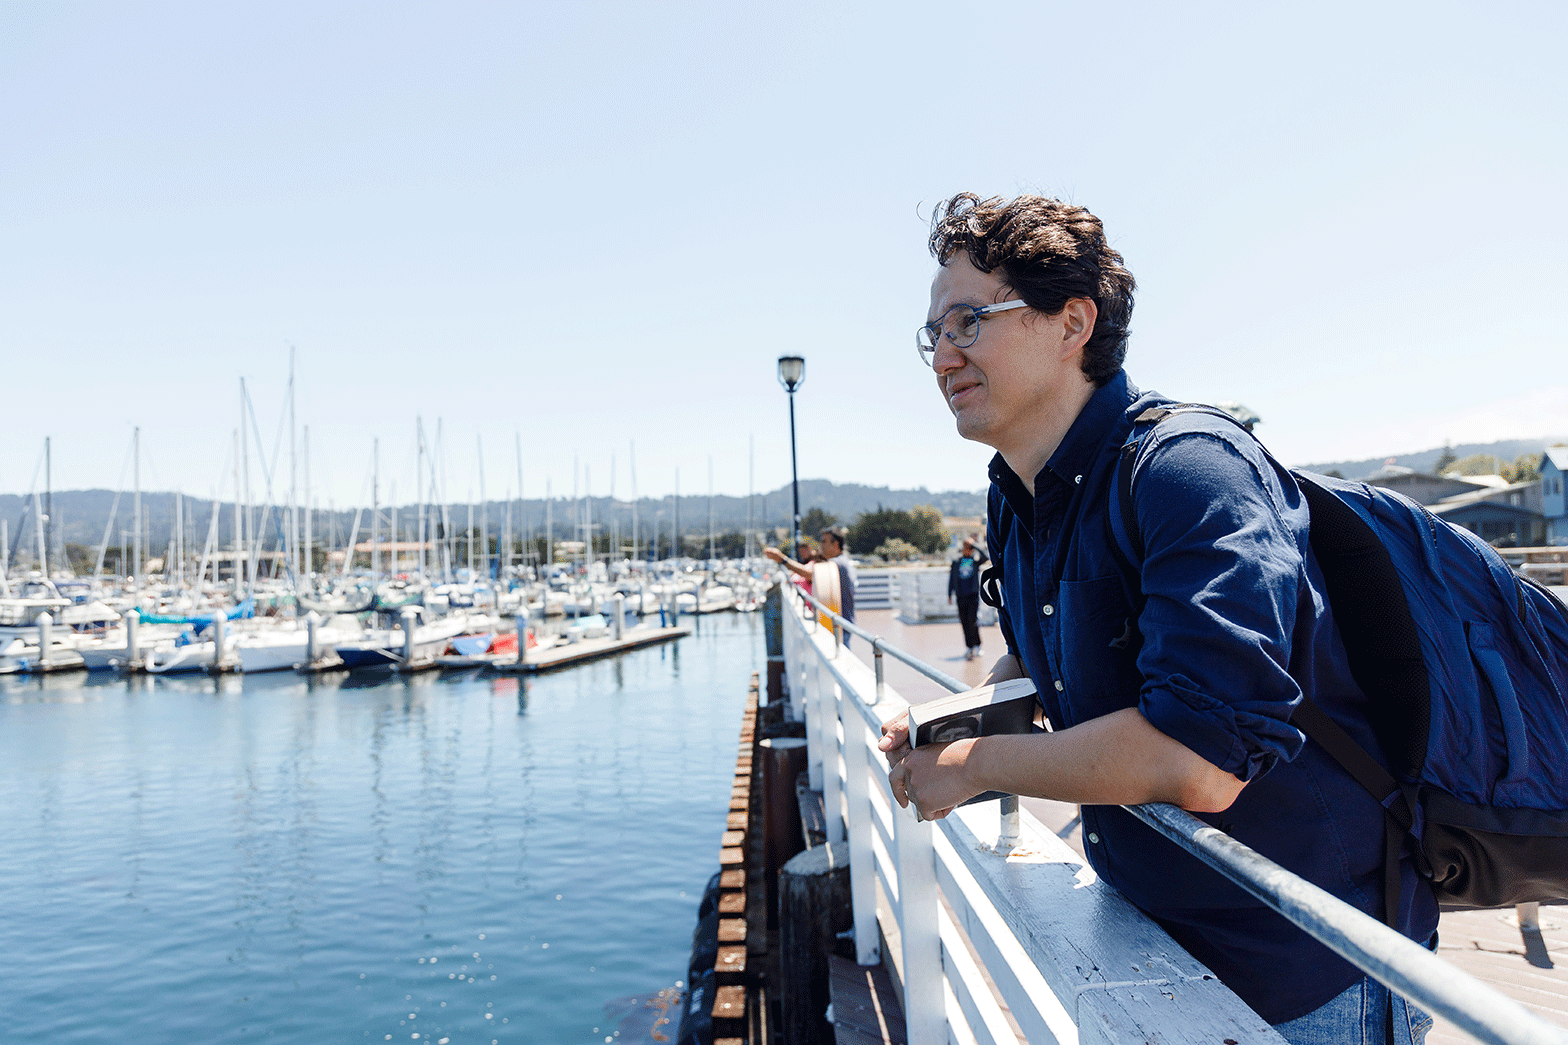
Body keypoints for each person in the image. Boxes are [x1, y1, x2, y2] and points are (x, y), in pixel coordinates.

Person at [877, 192, 1437, 1042]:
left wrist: (978, 764)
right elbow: (1047, 668)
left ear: (1072, 323)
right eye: (934, 334)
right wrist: (949, 723)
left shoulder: (1187, 471)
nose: (943, 357)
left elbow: (1202, 760)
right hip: (1150, 939)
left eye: (967, 322)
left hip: (1306, 971)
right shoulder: (1020, 498)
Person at [766, 527, 857, 640]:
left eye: (824, 541)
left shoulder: (838, 564)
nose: (821, 545)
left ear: (836, 544)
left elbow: (810, 574)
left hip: (840, 626)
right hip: (838, 623)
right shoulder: (841, 562)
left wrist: (782, 559)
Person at [947, 537, 984, 659]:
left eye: (970, 548)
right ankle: (969, 647)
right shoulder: (957, 562)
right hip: (960, 596)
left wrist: (975, 545)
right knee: (964, 622)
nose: (967, 550)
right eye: (966, 547)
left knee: (972, 621)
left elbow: (986, 557)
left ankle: (977, 645)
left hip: (972, 596)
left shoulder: (975, 561)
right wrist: (949, 594)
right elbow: (952, 579)